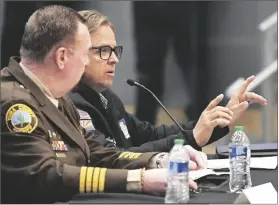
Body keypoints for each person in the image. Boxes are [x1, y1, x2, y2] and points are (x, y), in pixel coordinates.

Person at [1, 5, 206, 204]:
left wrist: (158, 160)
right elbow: (46, 175)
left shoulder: (55, 97)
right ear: (62, 57)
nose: (85, 63)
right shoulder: (16, 105)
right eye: (84, 54)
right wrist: (139, 181)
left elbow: (97, 153)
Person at [69, 10, 267, 153]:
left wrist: (217, 119)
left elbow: (151, 135)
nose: (114, 59)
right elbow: (115, 159)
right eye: (103, 51)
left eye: (114, 50)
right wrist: (191, 138)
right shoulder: (72, 105)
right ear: (78, 54)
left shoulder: (105, 97)